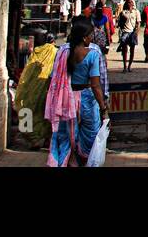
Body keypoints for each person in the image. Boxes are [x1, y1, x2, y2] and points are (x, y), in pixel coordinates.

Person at [45, 17, 110, 167]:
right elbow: (95, 85)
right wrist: (103, 107)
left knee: (65, 135)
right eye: (90, 35)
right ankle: (85, 161)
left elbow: (52, 78)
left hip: (66, 99)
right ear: (83, 37)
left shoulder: (62, 51)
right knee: (90, 134)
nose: (92, 37)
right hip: (87, 98)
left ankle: (69, 160)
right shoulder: (93, 53)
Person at [13, 31, 57, 148]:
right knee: (45, 113)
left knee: (29, 110)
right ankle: (44, 138)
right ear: (53, 41)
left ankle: (31, 137)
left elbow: (28, 70)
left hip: (31, 87)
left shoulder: (36, 52)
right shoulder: (54, 51)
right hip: (46, 86)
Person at [115, 0, 140, 73]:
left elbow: (138, 23)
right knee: (125, 50)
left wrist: (136, 33)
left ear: (133, 4)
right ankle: (125, 66)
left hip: (132, 32)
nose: (129, 4)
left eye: (131, 2)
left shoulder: (136, 12)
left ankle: (129, 66)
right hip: (125, 32)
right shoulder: (123, 12)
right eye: (128, 2)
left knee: (132, 51)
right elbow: (119, 23)